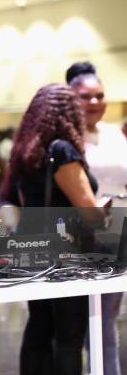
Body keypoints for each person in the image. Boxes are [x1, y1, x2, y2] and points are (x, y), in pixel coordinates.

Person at [12, 84, 110, 375]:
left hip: (33, 250)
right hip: (68, 253)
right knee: (69, 336)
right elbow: (89, 212)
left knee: (39, 329)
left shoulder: (28, 152)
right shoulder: (62, 150)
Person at [67, 61, 127, 375]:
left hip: (117, 227)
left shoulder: (114, 135)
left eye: (99, 95)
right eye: (85, 96)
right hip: (80, 232)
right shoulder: (66, 139)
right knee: (74, 322)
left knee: (106, 316)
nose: (93, 102)